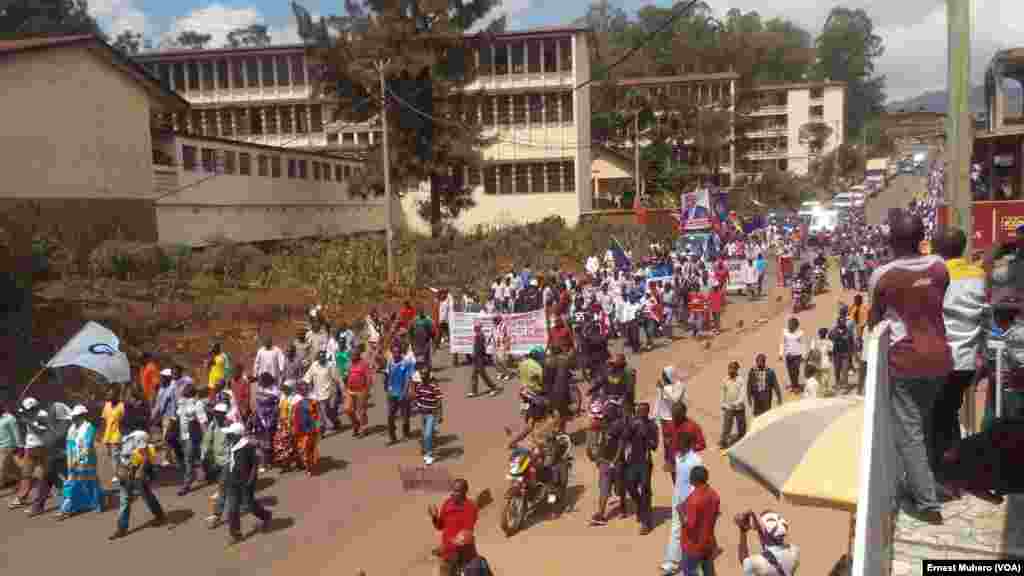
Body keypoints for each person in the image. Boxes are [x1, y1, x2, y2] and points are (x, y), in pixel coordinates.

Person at [868, 210, 952, 524]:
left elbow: (874, 320)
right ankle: (929, 483)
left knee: (909, 433)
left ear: (891, 241)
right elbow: (935, 301)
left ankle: (927, 503)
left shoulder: (883, 275)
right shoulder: (939, 267)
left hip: (906, 360)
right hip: (941, 358)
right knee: (925, 425)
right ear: (921, 239)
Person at [934, 227, 985, 490]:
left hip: (942, 360)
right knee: (948, 413)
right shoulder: (978, 274)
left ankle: (946, 476)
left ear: (937, 248)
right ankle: (954, 472)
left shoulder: (938, 274)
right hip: (967, 360)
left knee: (937, 418)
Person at [661, 429, 703, 576]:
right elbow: (672, 469)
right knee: (676, 528)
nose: (680, 445)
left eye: (683, 443)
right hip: (678, 498)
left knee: (690, 531)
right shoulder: (678, 456)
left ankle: (689, 564)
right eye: (680, 442)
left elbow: (699, 482)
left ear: (690, 444)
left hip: (690, 500)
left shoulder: (696, 460)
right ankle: (671, 564)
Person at [222, 422, 272, 544]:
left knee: (249, 505)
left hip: (245, 482)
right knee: (232, 509)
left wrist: (250, 481)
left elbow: (255, 465)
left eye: (230, 434)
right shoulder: (233, 444)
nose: (228, 436)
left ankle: (265, 516)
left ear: (237, 435)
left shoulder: (248, 447)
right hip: (233, 481)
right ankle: (235, 534)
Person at [109, 430, 165, 540]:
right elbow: (120, 459)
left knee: (146, 495)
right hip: (127, 470)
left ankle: (160, 515)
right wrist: (119, 472)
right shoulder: (124, 439)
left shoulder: (139, 437)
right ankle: (121, 528)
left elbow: (145, 456)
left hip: (137, 470)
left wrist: (140, 471)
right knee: (124, 500)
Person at [60, 404, 103, 518]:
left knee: (92, 482)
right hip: (74, 461)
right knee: (73, 484)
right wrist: (70, 460)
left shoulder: (89, 427)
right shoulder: (71, 428)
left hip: (88, 460)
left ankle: (97, 504)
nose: (74, 419)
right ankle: (66, 509)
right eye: (73, 417)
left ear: (82, 416)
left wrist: (77, 460)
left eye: (76, 417)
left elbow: (88, 446)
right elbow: (69, 445)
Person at [430, 478, 480, 576]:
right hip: (447, 554)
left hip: (465, 555)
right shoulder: (447, 503)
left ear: (464, 492)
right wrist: (435, 517)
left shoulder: (470, 507)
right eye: (453, 490)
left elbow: (467, 532)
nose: (453, 493)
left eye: (457, 491)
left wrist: (450, 545)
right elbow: (440, 526)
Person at [622, 402, 658, 535]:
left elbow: (655, 446)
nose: (637, 414)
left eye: (640, 411)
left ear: (646, 412)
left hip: (645, 462)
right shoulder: (633, 423)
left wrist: (646, 436)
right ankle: (642, 507)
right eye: (637, 411)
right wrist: (631, 428)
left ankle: (646, 523)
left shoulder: (652, 426)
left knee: (645, 490)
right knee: (630, 486)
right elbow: (625, 437)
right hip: (632, 461)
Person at [680, 465, 721, 576]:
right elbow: (716, 514)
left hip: (692, 544)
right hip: (708, 541)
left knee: (690, 572)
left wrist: (681, 512)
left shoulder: (694, 500)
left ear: (694, 480)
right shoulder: (714, 494)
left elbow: (689, 525)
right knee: (709, 571)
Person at [201, 402, 231, 527]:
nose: (215, 415)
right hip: (217, 461)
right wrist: (204, 454)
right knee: (226, 487)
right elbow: (207, 440)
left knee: (222, 489)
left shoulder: (230, 426)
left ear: (223, 415)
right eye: (215, 413)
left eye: (218, 414)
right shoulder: (213, 424)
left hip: (227, 462)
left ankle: (216, 516)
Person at [655, 367, 687, 482]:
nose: (662, 377)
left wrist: (663, 388)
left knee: (677, 444)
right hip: (665, 420)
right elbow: (658, 402)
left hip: (675, 420)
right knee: (667, 445)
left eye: (664, 374)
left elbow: (675, 400)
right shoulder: (663, 387)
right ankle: (671, 466)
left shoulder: (679, 385)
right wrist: (654, 417)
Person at [175, 383, 205, 496]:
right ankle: (203, 473)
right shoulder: (182, 403)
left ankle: (186, 484)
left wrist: (206, 437)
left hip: (192, 436)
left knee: (188, 459)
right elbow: (178, 417)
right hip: (183, 435)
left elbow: (202, 421)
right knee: (194, 456)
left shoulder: (197, 404)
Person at [305, 350, 341, 436]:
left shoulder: (330, 365)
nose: (322, 359)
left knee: (329, 411)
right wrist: (306, 388)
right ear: (318, 358)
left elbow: (337, 378)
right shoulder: (314, 366)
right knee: (322, 413)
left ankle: (334, 422)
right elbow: (307, 378)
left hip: (329, 392)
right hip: (318, 394)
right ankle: (322, 429)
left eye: (323, 357)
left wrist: (341, 389)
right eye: (320, 357)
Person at [386, 347, 416, 445]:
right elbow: (389, 376)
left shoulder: (406, 363)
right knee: (390, 415)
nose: (395, 354)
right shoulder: (390, 362)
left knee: (405, 415)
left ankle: (406, 433)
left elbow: (408, 378)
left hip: (403, 393)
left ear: (401, 353)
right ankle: (392, 436)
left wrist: (405, 392)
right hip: (392, 393)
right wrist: (388, 389)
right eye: (393, 352)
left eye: (397, 352)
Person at [414, 370, 444, 465]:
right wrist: (418, 407)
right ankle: (429, 448)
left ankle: (429, 455)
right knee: (425, 434)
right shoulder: (419, 387)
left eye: (424, 375)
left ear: (428, 376)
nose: (422, 377)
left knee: (427, 434)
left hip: (431, 414)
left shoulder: (434, 387)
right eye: (421, 375)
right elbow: (418, 399)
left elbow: (439, 401)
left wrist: (440, 415)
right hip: (423, 414)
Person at [253, 373, 281, 473]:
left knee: (271, 440)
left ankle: (270, 461)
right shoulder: (260, 389)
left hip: (272, 418)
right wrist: (260, 416)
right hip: (261, 419)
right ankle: (265, 462)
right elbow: (257, 404)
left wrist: (272, 418)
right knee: (262, 441)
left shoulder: (275, 390)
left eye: (261, 381)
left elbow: (277, 406)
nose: (259, 383)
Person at [293, 380, 321, 475]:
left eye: (305, 388)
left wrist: (318, 424)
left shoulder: (312, 400)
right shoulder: (296, 401)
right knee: (304, 448)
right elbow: (294, 416)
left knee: (312, 447)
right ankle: (308, 467)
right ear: (299, 390)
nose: (304, 390)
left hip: (312, 429)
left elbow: (316, 414)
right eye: (301, 388)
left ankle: (311, 465)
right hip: (301, 430)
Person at [829, 305, 856, 394]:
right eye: (840, 322)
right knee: (837, 369)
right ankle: (837, 384)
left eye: (843, 321)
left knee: (845, 370)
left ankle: (845, 386)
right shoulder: (833, 331)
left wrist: (852, 352)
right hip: (836, 354)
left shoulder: (848, 331)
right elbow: (830, 340)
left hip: (845, 354)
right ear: (838, 323)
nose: (842, 323)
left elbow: (852, 342)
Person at [345, 346, 372, 437]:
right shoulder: (349, 363)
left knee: (361, 411)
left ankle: (363, 428)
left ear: (358, 355)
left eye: (353, 355)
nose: (352, 356)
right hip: (350, 390)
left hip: (361, 390)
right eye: (351, 355)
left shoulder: (364, 364)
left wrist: (367, 391)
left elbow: (368, 378)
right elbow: (346, 375)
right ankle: (356, 424)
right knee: (348, 409)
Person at [469, 324, 500, 398]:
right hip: (476, 358)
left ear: (479, 328)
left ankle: (493, 387)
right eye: (475, 327)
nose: (474, 329)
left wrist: (476, 355)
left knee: (483, 374)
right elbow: (476, 347)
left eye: (476, 327)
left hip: (479, 358)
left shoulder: (480, 336)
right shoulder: (477, 335)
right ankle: (473, 391)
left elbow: (481, 348)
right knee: (474, 375)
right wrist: (473, 354)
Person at [720, 361, 747, 449]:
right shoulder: (725, 380)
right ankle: (723, 442)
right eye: (729, 368)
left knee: (741, 426)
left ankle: (743, 442)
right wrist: (723, 404)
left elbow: (742, 395)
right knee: (726, 426)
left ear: (737, 370)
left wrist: (735, 403)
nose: (731, 370)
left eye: (733, 368)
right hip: (728, 407)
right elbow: (723, 392)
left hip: (739, 408)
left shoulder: (741, 380)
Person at [779, 317, 805, 393]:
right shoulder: (785, 332)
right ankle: (794, 385)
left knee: (796, 371)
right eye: (789, 324)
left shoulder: (800, 333)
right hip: (788, 355)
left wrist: (803, 355)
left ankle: (796, 386)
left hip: (797, 355)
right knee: (790, 371)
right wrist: (780, 354)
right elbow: (782, 343)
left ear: (796, 326)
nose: (790, 325)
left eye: (791, 324)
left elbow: (803, 344)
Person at [0, 400, 19, 488]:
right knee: (11, 466)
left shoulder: (9, 418)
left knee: (1, 465)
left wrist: (19, 445)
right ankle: (23, 477)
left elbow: (16, 432)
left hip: (7, 446)